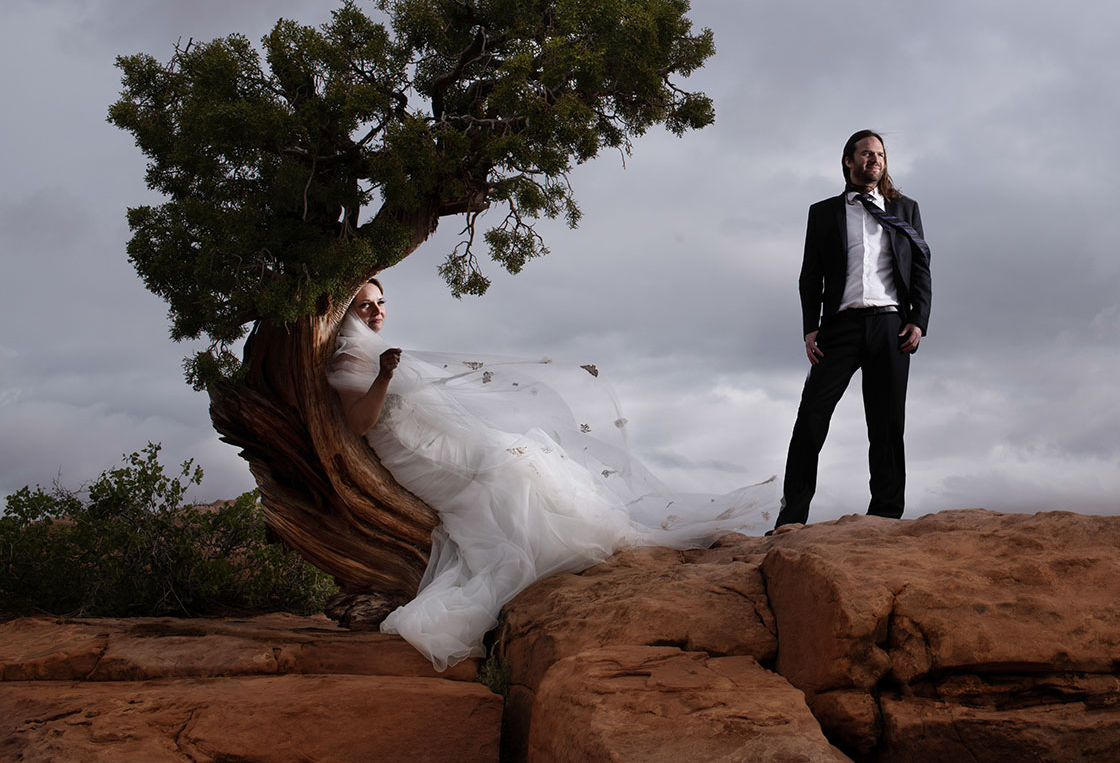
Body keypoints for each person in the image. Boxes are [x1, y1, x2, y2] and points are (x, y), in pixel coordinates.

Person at [328, 278, 775, 671]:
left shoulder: (370, 349)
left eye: (381, 303)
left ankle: (571, 535)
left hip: (435, 443)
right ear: (348, 312)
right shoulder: (350, 358)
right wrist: (386, 375)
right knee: (510, 469)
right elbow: (360, 422)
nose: (377, 311)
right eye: (366, 305)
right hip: (410, 454)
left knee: (523, 458)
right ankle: (552, 548)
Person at [774, 130, 931, 530]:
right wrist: (811, 328)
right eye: (865, 154)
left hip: (891, 326)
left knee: (887, 425)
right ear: (849, 161)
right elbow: (810, 276)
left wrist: (918, 320)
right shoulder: (823, 212)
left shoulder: (904, 209)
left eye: (879, 154)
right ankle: (792, 519)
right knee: (810, 418)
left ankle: (885, 517)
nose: (873, 160)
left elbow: (920, 266)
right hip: (838, 328)